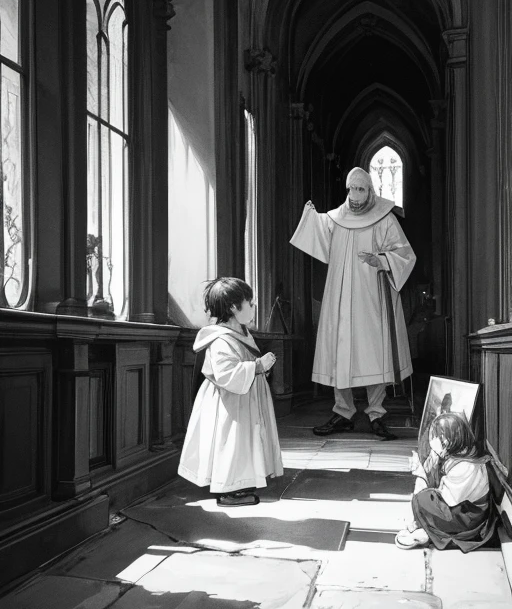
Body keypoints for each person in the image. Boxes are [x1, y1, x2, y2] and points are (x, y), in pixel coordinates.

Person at [290, 166, 416, 440]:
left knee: (374, 353)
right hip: (339, 299)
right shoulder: (336, 219)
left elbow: (405, 254)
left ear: (370, 190)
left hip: (372, 299)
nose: (355, 196)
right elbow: (320, 238)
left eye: (360, 189)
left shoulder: (384, 219)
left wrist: (381, 260)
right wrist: (311, 217)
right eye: (351, 189)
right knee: (340, 353)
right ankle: (343, 412)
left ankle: (376, 413)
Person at [178, 277, 283, 506]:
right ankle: (227, 491)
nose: (254, 307)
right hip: (229, 403)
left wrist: (261, 368)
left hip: (244, 400)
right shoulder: (220, 339)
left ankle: (240, 485)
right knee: (230, 443)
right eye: (250, 303)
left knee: (243, 443)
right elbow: (226, 375)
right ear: (234, 308)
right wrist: (257, 366)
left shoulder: (242, 332)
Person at [396, 412, 496, 550]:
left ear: (448, 439)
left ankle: (430, 532)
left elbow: (449, 500)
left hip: (469, 516)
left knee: (422, 499)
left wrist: (425, 479)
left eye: (436, 436)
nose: (432, 440)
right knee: (424, 497)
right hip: (462, 507)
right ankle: (423, 526)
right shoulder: (461, 454)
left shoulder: (465, 467)